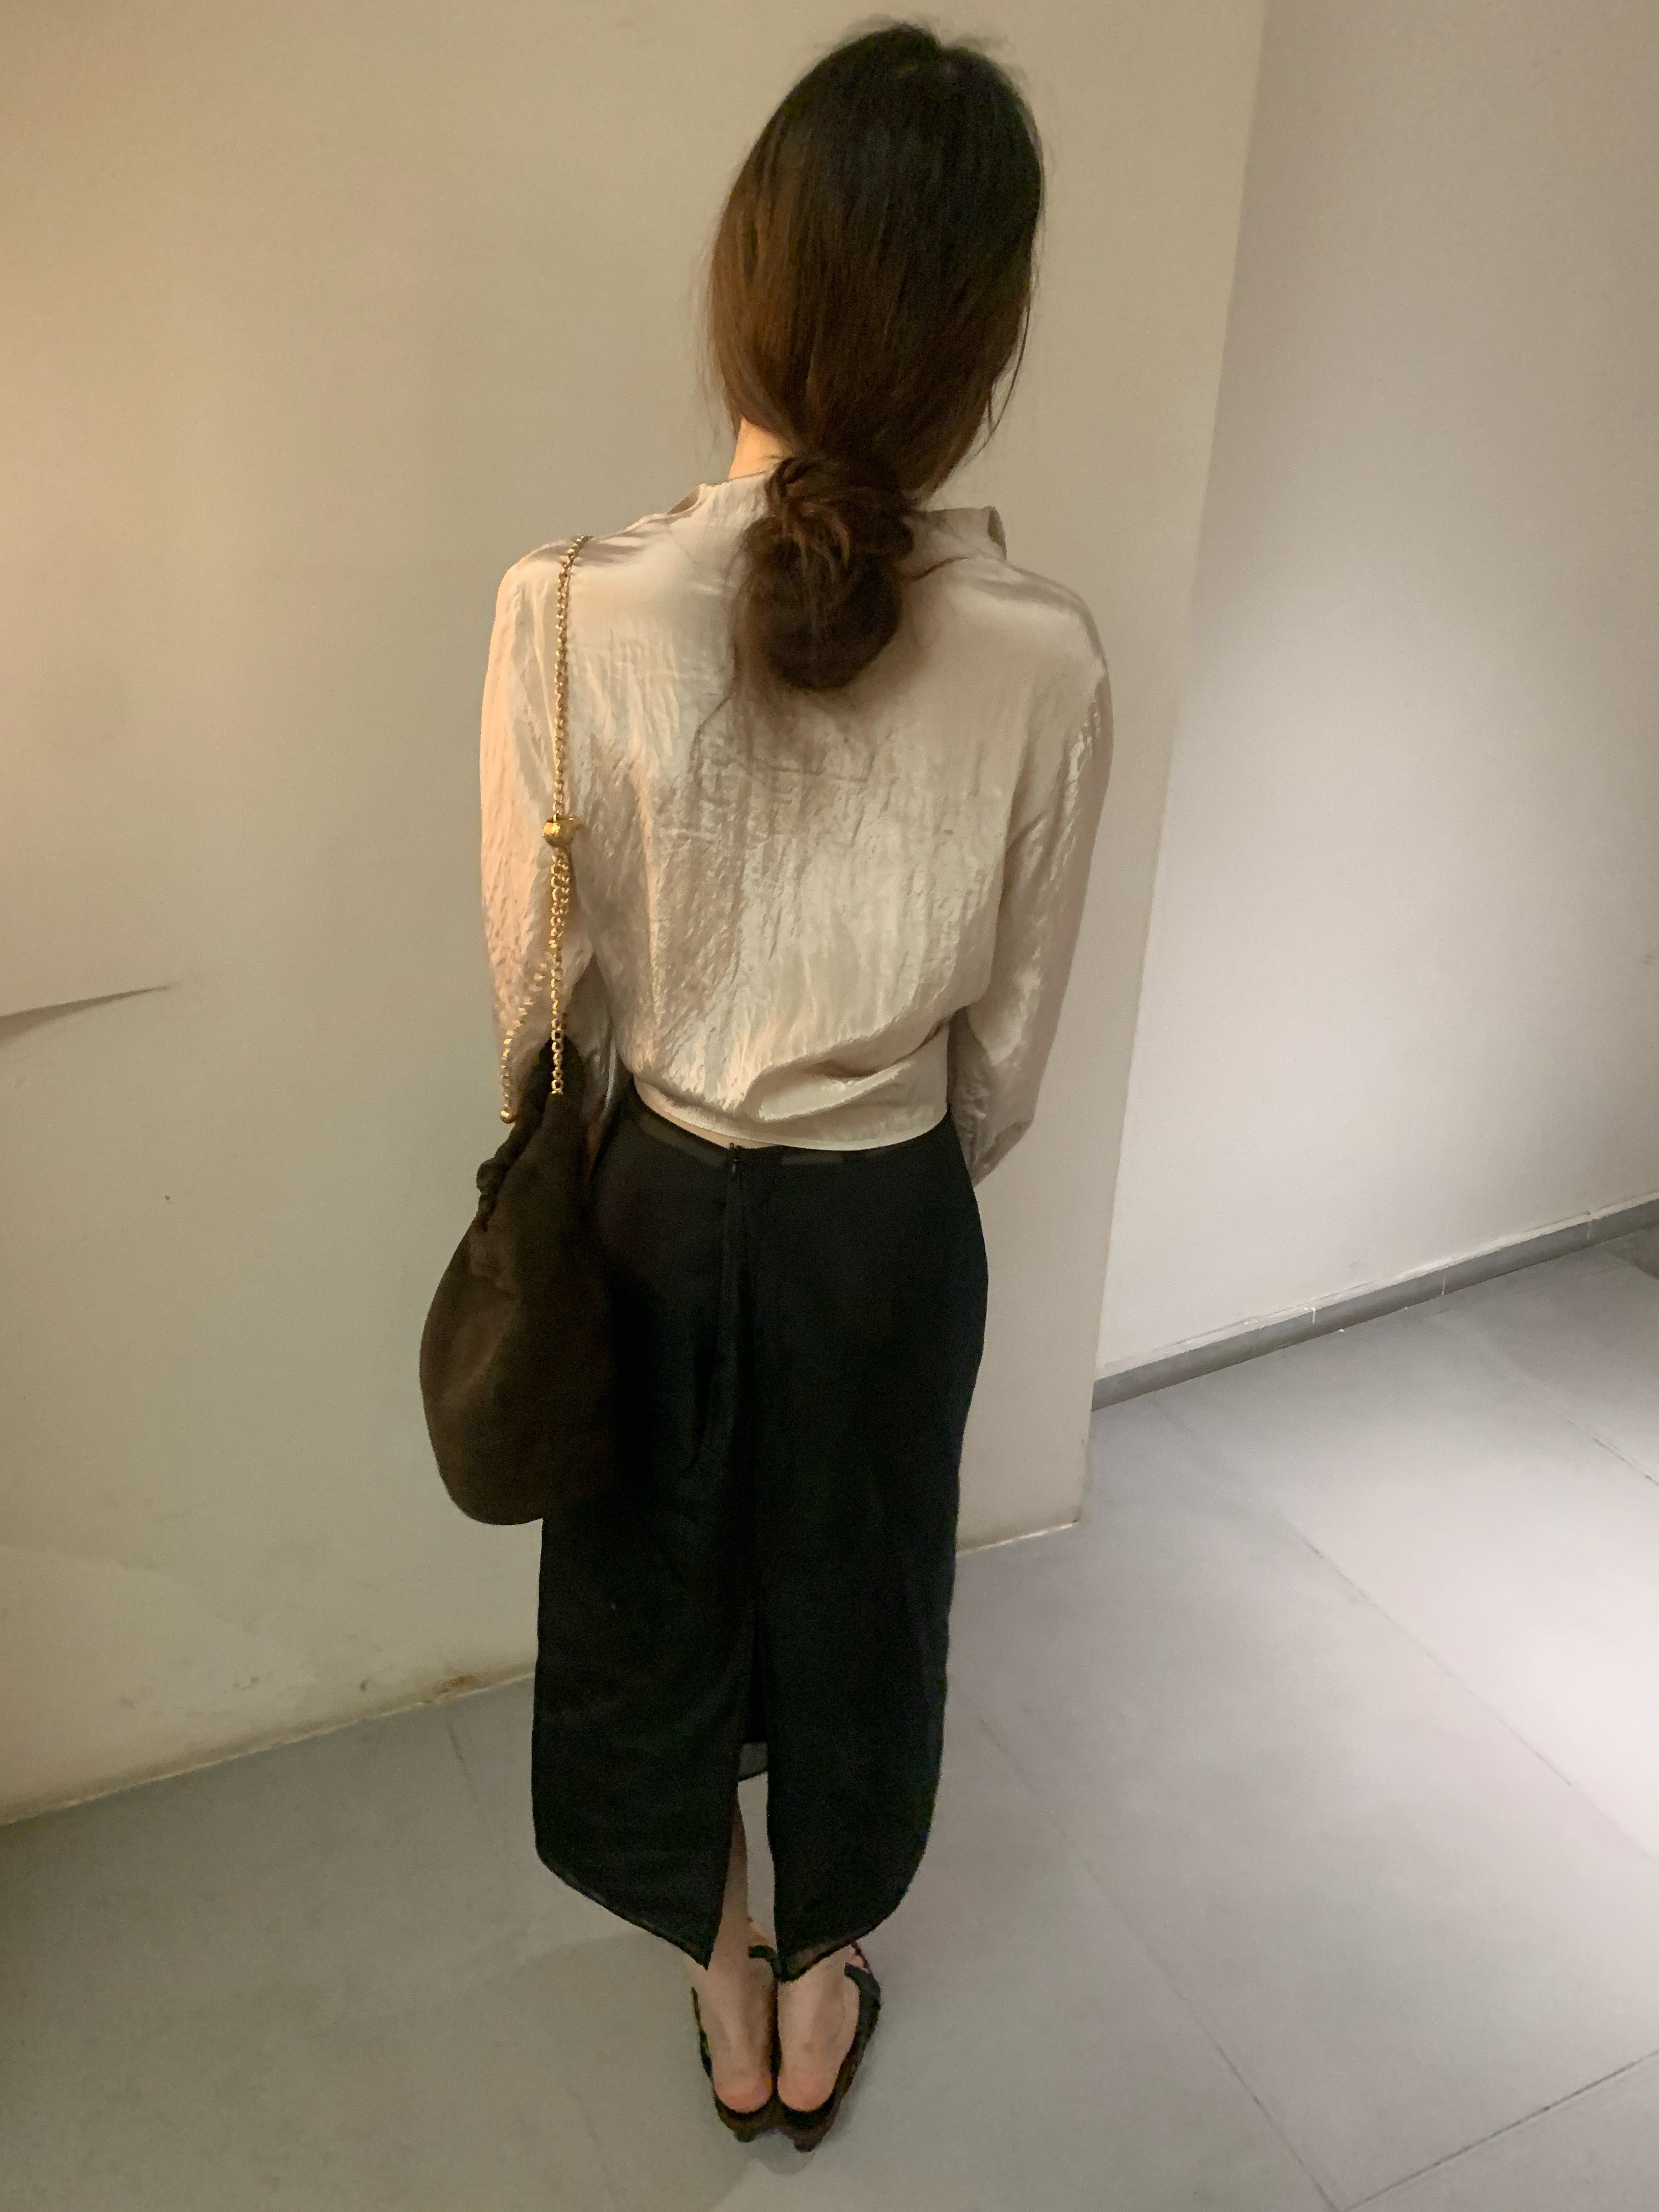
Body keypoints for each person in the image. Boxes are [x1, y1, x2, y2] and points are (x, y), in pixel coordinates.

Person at [476, 20, 1111, 2151]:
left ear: (742, 283)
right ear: (981, 342)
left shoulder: (570, 607)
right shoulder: (1044, 652)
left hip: (655, 1196)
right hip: (886, 1216)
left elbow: (535, 1004)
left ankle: (724, 1966)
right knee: (864, 1602)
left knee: (650, 1598)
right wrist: (883, 1162)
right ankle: (826, 1972)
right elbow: (1007, 1044)